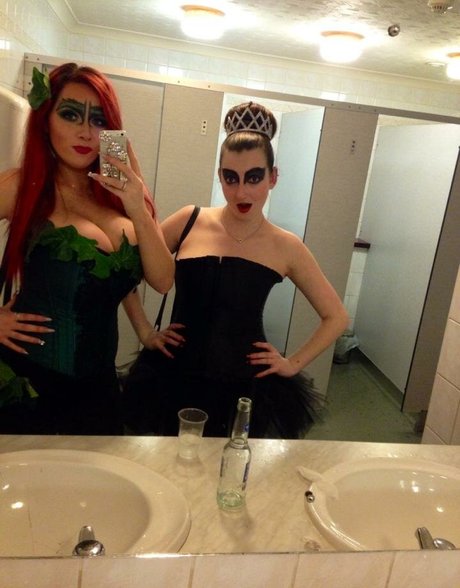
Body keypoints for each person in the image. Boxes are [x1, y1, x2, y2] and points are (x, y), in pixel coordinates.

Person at [123, 101, 349, 438]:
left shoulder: (286, 246)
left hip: (245, 386)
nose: (241, 191)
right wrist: (144, 331)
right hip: (172, 377)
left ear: (273, 177)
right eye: (231, 178)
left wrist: (292, 363)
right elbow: (125, 271)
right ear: (220, 176)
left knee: (230, 466)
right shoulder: (189, 220)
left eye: (254, 178)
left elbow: (337, 317)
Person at [0, 62, 174, 434]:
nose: (86, 132)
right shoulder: (22, 187)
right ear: (45, 120)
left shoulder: (118, 198)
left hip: (100, 393)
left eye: (98, 120)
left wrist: (138, 204)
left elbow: (162, 280)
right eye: (70, 114)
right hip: (31, 386)